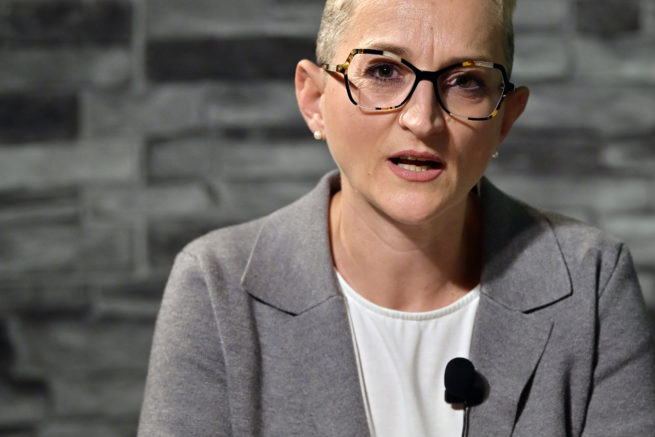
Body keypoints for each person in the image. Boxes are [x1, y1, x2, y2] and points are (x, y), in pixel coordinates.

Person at [138, 0, 655, 435]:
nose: (422, 119)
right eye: (383, 71)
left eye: (466, 81)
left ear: (505, 119)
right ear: (314, 99)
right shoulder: (216, 285)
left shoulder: (593, 280)